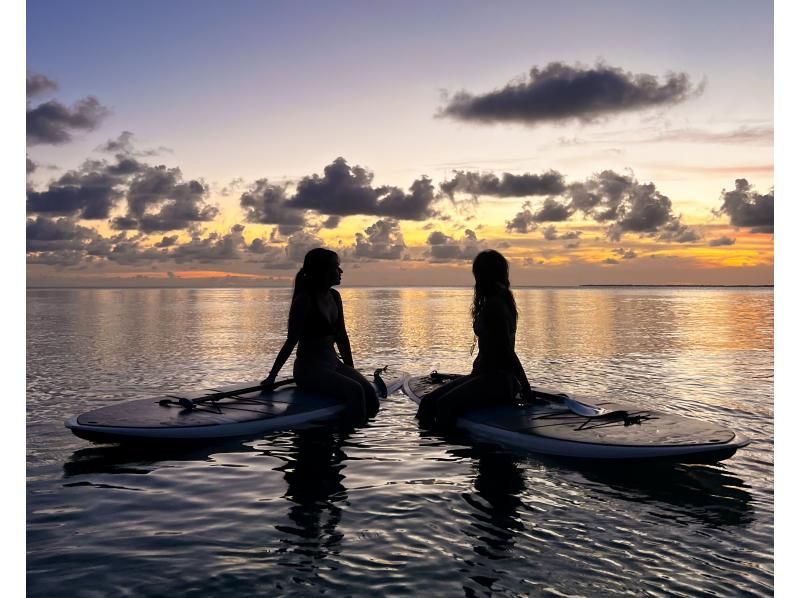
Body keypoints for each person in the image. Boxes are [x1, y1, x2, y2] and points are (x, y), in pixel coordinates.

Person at [417, 249, 533, 429]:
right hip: (484, 376)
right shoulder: (498, 300)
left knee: (440, 405)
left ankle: (454, 448)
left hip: (497, 382)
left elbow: (507, 352)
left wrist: (525, 387)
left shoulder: (494, 306)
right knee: (428, 402)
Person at [261, 248, 379, 423]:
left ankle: (360, 432)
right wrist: (272, 376)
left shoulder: (334, 296)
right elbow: (291, 340)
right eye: (336, 267)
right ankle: (348, 440)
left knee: (370, 394)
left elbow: (342, 337)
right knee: (355, 391)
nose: (341, 271)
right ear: (321, 272)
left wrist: (350, 369)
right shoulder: (304, 300)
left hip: (334, 364)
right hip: (310, 371)